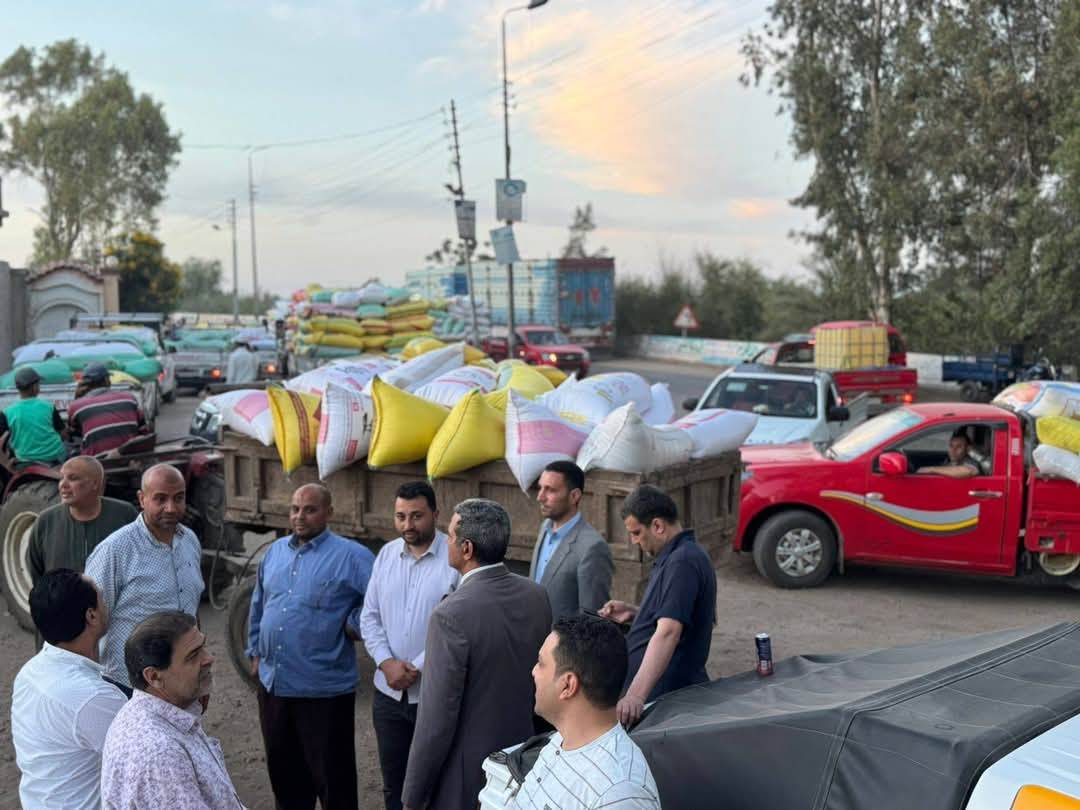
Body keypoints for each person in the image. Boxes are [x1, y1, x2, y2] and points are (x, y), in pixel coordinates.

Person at [402, 498, 552, 810]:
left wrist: (412, 796)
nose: (446, 541)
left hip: (468, 776)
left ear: (467, 548)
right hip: (523, 758)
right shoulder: (536, 596)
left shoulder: (450, 615)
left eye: (450, 535)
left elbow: (435, 721)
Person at [247, 483, 374, 810]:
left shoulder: (352, 556)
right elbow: (258, 603)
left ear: (329, 512)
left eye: (310, 509)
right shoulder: (275, 552)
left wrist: (353, 623)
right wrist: (255, 652)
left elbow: (379, 602)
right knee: (286, 781)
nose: (300, 516)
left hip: (324, 692)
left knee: (334, 783)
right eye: (295, 509)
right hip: (275, 687)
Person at [360, 482, 460, 810]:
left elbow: (456, 627)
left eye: (417, 516)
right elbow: (369, 617)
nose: (408, 525)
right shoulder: (387, 555)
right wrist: (386, 663)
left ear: (436, 514)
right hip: (387, 696)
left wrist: (415, 667)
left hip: (432, 695)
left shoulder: (455, 559)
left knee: (435, 783)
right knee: (394, 784)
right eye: (400, 516)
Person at [506, 615, 661, 809]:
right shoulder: (562, 740)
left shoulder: (619, 794)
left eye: (541, 663)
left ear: (568, 685)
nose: (534, 671)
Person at [100, 610, 244, 809]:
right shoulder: (159, 753)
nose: (209, 658)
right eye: (193, 655)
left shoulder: (169, 712)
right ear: (154, 677)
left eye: (203, 647)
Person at [600, 484, 716, 727]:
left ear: (658, 526)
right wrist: (635, 613)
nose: (634, 541)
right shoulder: (677, 556)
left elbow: (669, 632)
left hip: (663, 702)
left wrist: (635, 696)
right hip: (659, 697)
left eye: (636, 533)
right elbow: (677, 615)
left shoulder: (682, 562)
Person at [84, 463, 203, 696]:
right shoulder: (115, 550)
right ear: (142, 499)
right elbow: (90, 623)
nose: (171, 508)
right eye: (160, 499)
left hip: (181, 682)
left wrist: (199, 672)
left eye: (178, 498)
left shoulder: (189, 540)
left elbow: (192, 608)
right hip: (129, 686)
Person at [11, 570, 126, 810]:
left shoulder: (30, 672)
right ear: (91, 616)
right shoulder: (94, 697)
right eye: (101, 597)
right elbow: (148, 761)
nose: (106, 602)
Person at [28, 456, 138, 586]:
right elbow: (37, 574)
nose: (63, 485)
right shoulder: (46, 521)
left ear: (95, 483)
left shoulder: (125, 515)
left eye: (73, 478)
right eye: (61, 478)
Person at [529, 461, 613, 621]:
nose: (540, 497)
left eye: (550, 490)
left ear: (574, 496)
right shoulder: (545, 527)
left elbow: (592, 619)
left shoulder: (593, 548)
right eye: (540, 488)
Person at [67, 361, 145, 456]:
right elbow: (143, 429)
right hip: (130, 454)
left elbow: (74, 436)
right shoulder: (129, 397)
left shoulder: (76, 406)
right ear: (106, 379)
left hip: (97, 459)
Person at [0, 366, 66, 465]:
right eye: (38, 384)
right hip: (54, 457)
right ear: (35, 387)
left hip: (24, 460)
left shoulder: (7, 412)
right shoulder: (48, 407)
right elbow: (63, 433)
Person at [917, 429, 981, 478]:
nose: (953, 450)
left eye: (958, 447)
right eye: (951, 446)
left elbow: (968, 471)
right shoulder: (949, 461)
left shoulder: (971, 462)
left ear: (967, 449)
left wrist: (931, 469)